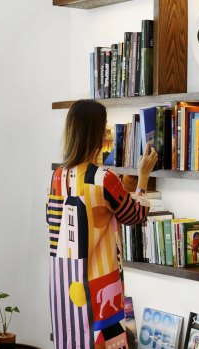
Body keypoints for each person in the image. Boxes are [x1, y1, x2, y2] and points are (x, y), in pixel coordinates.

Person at [46, 99, 157, 348]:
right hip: (99, 282)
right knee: (107, 342)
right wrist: (143, 177)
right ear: (97, 133)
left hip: (64, 283)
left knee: (72, 341)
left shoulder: (56, 176)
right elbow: (135, 215)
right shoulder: (103, 178)